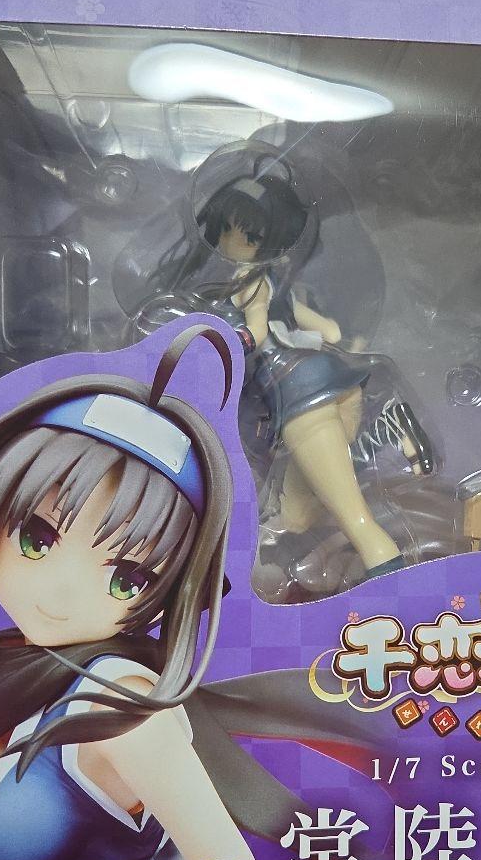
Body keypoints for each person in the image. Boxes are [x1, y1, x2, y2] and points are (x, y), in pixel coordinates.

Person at [0, 324, 385, 860]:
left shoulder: (119, 704)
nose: (61, 595)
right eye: (37, 539)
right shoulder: (42, 677)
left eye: (128, 578)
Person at [133, 153, 434, 580]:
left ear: (267, 241)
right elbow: (326, 328)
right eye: (227, 229)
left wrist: (231, 341)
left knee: (350, 509)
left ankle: (382, 562)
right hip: (320, 382)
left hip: (292, 387)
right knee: (293, 517)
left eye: (247, 235)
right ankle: (385, 428)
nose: (231, 240)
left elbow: (256, 331)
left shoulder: (250, 282)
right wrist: (337, 337)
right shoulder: (273, 285)